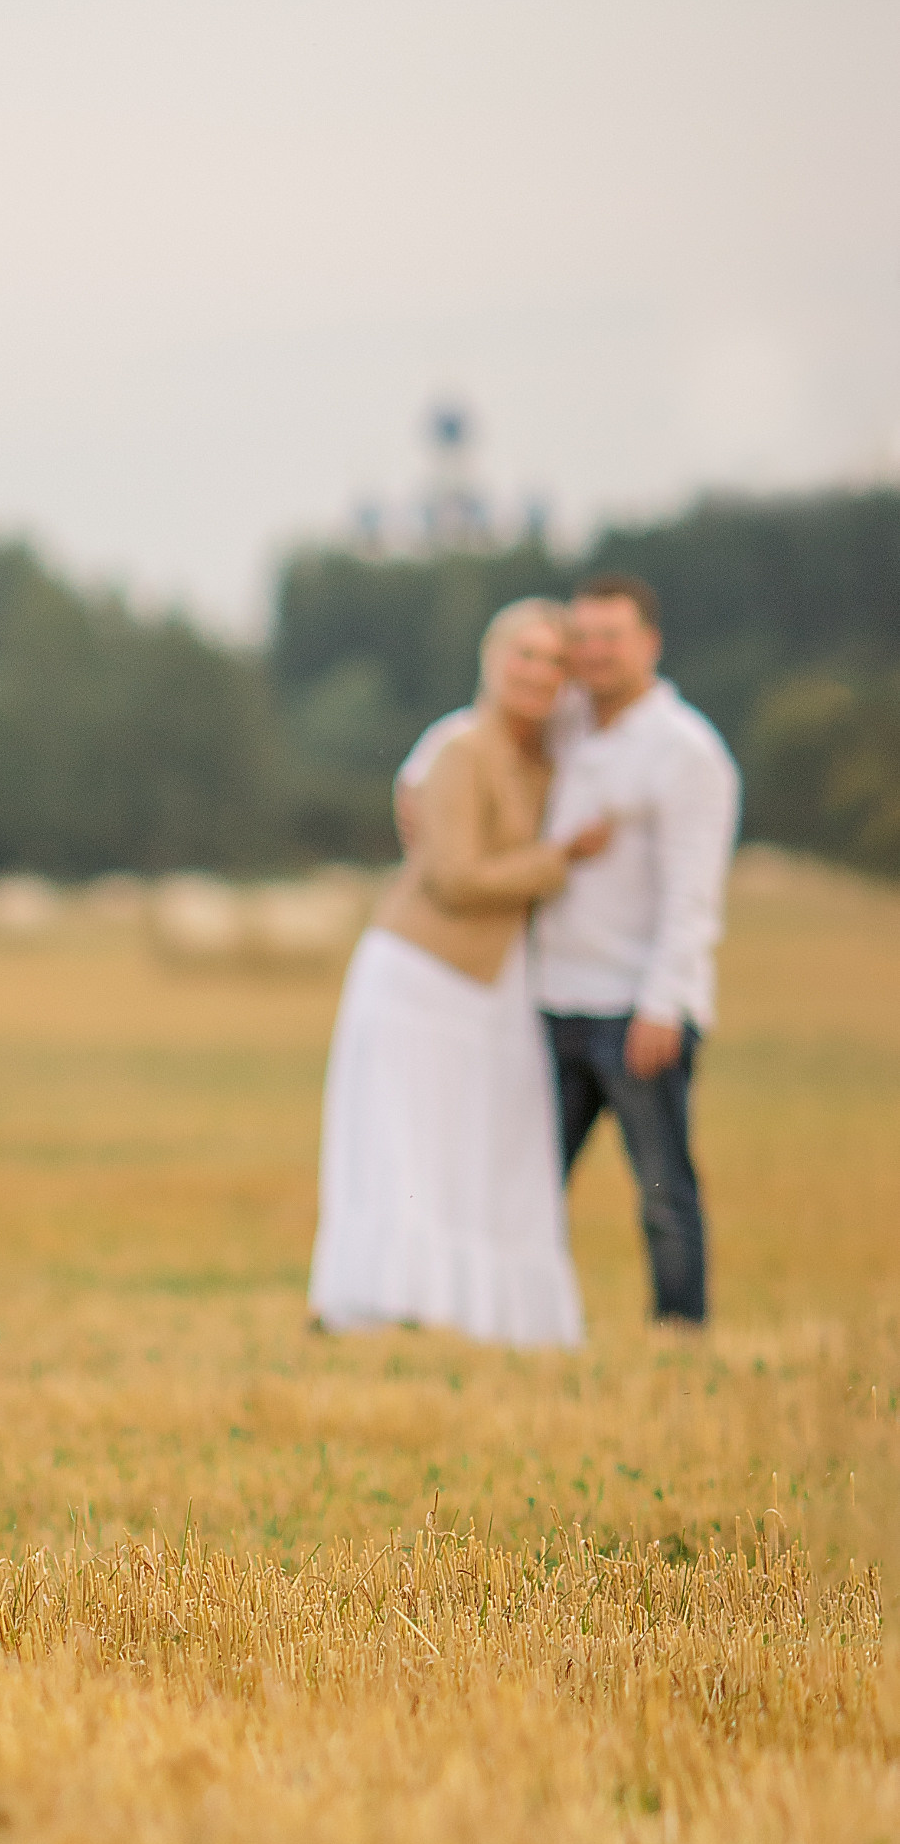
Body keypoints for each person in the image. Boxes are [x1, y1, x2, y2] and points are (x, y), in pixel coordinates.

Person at [310, 600, 608, 1345]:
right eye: (525, 655)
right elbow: (452, 877)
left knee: (484, 1141)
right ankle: (381, 1301)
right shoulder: (462, 747)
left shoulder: (546, 760)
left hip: (493, 980)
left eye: (554, 661)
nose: (538, 672)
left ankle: (481, 1311)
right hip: (419, 972)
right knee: (403, 1141)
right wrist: (560, 861)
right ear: (493, 660)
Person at [531, 576, 740, 1326]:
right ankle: (523, 1319)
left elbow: (693, 895)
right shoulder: (564, 727)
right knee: (528, 1183)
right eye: (581, 638)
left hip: (636, 1006)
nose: (594, 654)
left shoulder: (687, 752)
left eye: (610, 638)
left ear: (649, 642)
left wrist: (664, 1003)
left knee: (659, 1187)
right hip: (554, 994)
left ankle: (679, 1328)